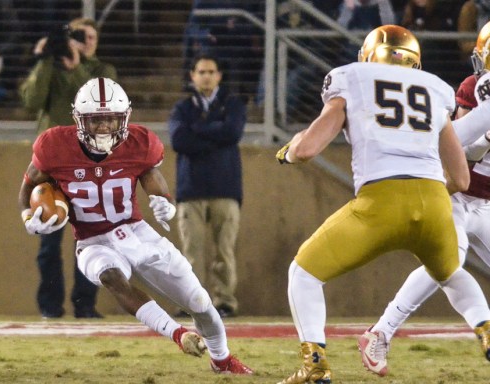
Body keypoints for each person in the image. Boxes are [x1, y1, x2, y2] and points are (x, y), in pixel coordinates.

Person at [274, 25, 490, 383]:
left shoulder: (352, 78)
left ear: (369, 56)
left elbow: (308, 148)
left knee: (304, 273)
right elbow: (461, 179)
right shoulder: (436, 90)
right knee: (449, 272)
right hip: (436, 201)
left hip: (380, 201)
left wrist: (289, 153)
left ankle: (314, 364)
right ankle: (484, 327)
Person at [18, 77, 253, 375]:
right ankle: (178, 334)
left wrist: (164, 200)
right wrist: (28, 217)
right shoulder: (54, 146)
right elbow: (27, 188)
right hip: (92, 242)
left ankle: (222, 360)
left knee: (199, 301)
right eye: (96, 120)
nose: (104, 127)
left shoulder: (138, 143)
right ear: (79, 120)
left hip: (136, 232)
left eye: (111, 119)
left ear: (124, 118)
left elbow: (152, 177)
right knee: (113, 277)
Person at [360, 20, 490, 377]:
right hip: (453, 195)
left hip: (487, 205)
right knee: (448, 259)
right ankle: (380, 332)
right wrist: (486, 135)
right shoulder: (476, 89)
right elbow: (455, 147)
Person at [19, 17, 116, 319]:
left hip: (88, 162)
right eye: (78, 35)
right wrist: (47, 59)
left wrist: (76, 70)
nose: (84, 41)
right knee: (48, 240)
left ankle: (84, 304)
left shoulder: (102, 71)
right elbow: (31, 100)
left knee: (89, 239)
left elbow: (99, 104)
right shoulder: (53, 66)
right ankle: (50, 307)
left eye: (89, 37)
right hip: (51, 164)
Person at [167, 55, 246, 318]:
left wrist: (198, 130)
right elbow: (179, 140)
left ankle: (224, 302)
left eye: (211, 71)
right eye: (201, 71)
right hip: (191, 191)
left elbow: (233, 133)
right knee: (192, 253)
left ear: (219, 75)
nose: (206, 76)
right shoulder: (182, 108)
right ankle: (192, 302)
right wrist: (216, 134)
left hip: (226, 188)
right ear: (192, 75)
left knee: (224, 253)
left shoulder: (232, 104)